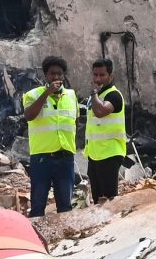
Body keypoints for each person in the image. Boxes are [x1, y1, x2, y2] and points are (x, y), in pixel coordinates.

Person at [22, 55, 77, 217]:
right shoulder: (32, 95)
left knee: (65, 205)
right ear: (46, 75)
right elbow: (29, 115)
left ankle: (64, 232)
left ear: (64, 75)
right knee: (38, 204)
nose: (56, 77)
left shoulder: (71, 95)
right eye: (52, 73)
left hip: (65, 156)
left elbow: (76, 120)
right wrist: (47, 93)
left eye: (59, 74)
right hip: (42, 157)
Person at [85, 58, 126, 204]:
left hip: (110, 153)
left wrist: (94, 93)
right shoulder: (96, 96)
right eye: (95, 75)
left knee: (109, 199)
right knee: (97, 199)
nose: (97, 79)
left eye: (102, 75)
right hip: (95, 154)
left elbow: (100, 111)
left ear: (110, 76)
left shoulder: (114, 95)